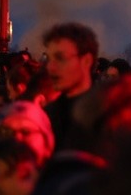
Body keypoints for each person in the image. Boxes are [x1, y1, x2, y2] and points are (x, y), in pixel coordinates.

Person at [42, 22, 98, 151]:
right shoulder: (47, 115)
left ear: (86, 61)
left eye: (60, 58)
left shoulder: (110, 116)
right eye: (48, 59)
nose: (50, 67)